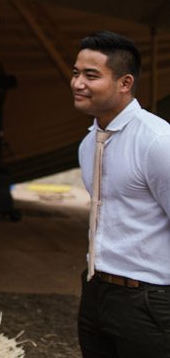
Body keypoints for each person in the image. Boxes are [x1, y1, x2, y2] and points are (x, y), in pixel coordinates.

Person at [71, 30, 170, 357]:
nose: (77, 83)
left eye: (91, 75)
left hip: (148, 299)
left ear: (124, 83)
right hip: (95, 290)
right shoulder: (89, 143)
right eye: (75, 73)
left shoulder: (157, 142)